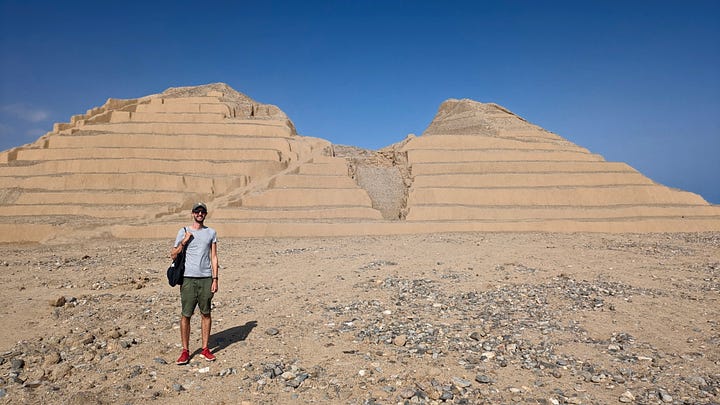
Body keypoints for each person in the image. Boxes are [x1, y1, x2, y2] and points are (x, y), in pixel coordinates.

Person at [171, 202, 219, 365]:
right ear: (192, 213)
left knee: (206, 313)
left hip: (206, 278)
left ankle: (205, 348)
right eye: (197, 211)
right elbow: (173, 255)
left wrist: (215, 278)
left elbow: (213, 256)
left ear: (205, 214)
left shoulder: (211, 233)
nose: (200, 214)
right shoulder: (184, 231)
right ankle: (185, 351)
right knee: (186, 315)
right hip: (188, 279)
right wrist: (184, 241)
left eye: (202, 212)